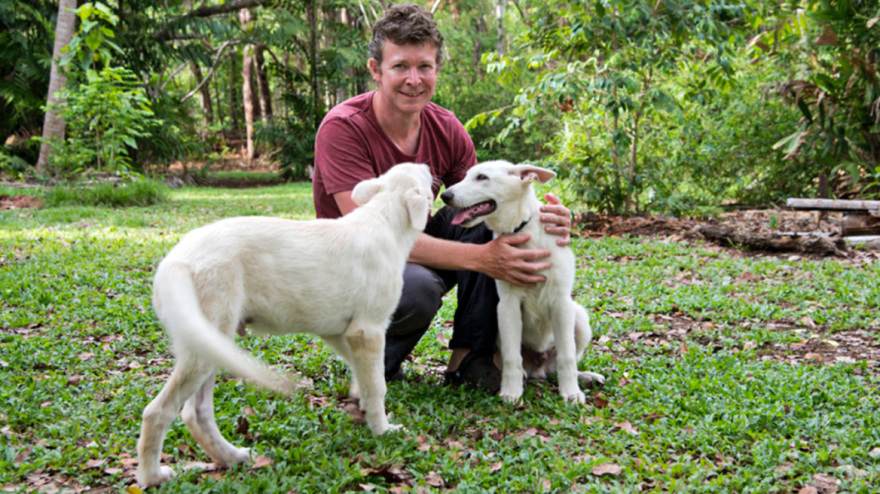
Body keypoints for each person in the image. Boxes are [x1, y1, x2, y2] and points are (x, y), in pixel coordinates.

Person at [312, 3, 572, 393]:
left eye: (425, 67)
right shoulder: (344, 129)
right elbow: (373, 235)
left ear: (437, 69)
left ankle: (468, 359)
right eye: (400, 66)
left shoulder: (446, 127)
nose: (414, 80)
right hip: (353, 263)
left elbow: (490, 199)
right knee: (416, 288)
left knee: (488, 225)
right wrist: (482, 259)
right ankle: (374, 362)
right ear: (375, 70)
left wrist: (547, 219)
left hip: (409, 247)